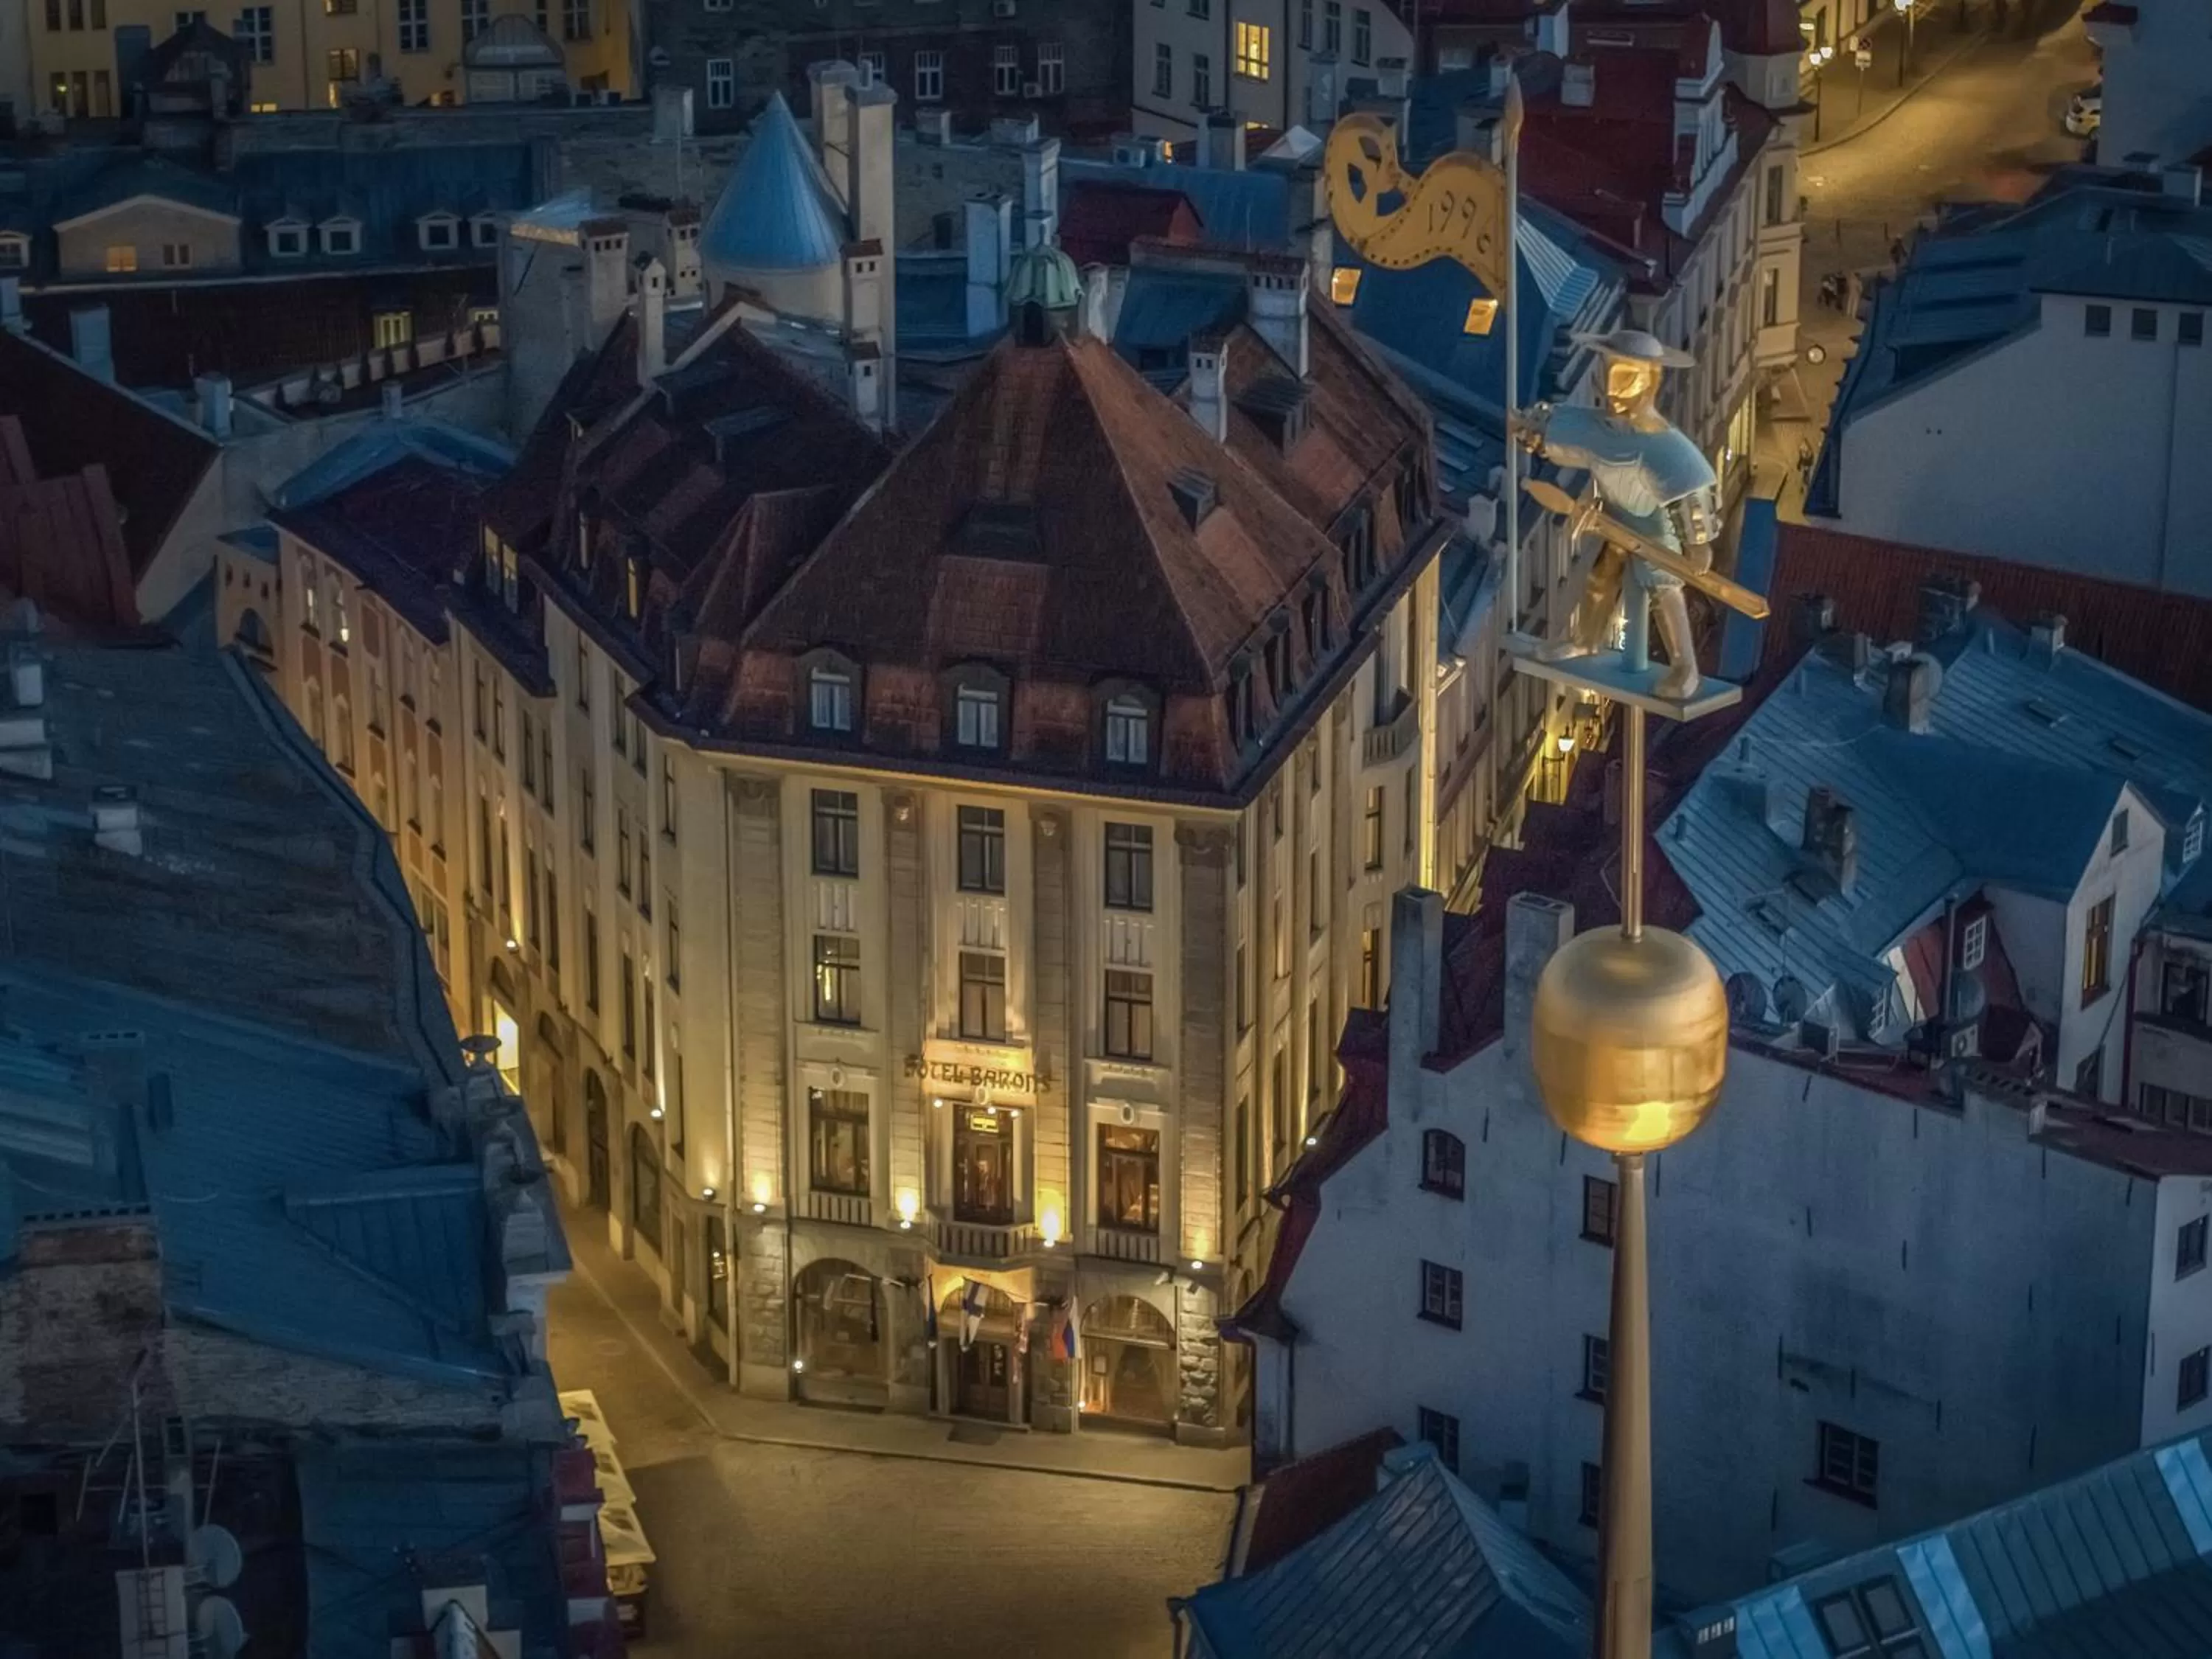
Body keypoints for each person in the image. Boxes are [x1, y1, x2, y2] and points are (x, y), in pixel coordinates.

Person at [1515, 330, 1719, 700]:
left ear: (1650, 380)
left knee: (1664, 591)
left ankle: (1685, 666)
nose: (1612, 386)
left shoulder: (1664, 445)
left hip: (1655, 527)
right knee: (1601, 578)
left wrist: (1697, 542)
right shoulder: (1597, 429)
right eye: (1608, 371)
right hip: (1612, 517)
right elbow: (1555, 430)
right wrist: (1530, 427)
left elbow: (1690, 492)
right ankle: (1586, 639)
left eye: (1625, 376)